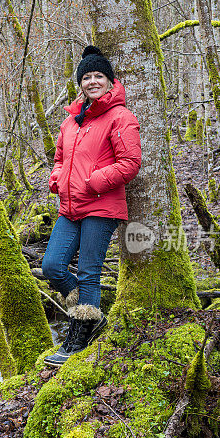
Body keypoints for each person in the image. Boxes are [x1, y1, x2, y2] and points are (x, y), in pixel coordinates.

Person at [42, 45, 142, 367]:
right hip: (69, 207)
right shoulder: (71, 122)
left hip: (101, 206)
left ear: (111, 81)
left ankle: (79, 335)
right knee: (52, 266)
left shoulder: (120, 116)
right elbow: (59, 159)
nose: (93, 81)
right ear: (80, 84)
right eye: (87, 77)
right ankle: (89, 314)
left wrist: (92, 181)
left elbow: (130, 163)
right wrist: (57, 179)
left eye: (99, 75)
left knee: (88, 271)